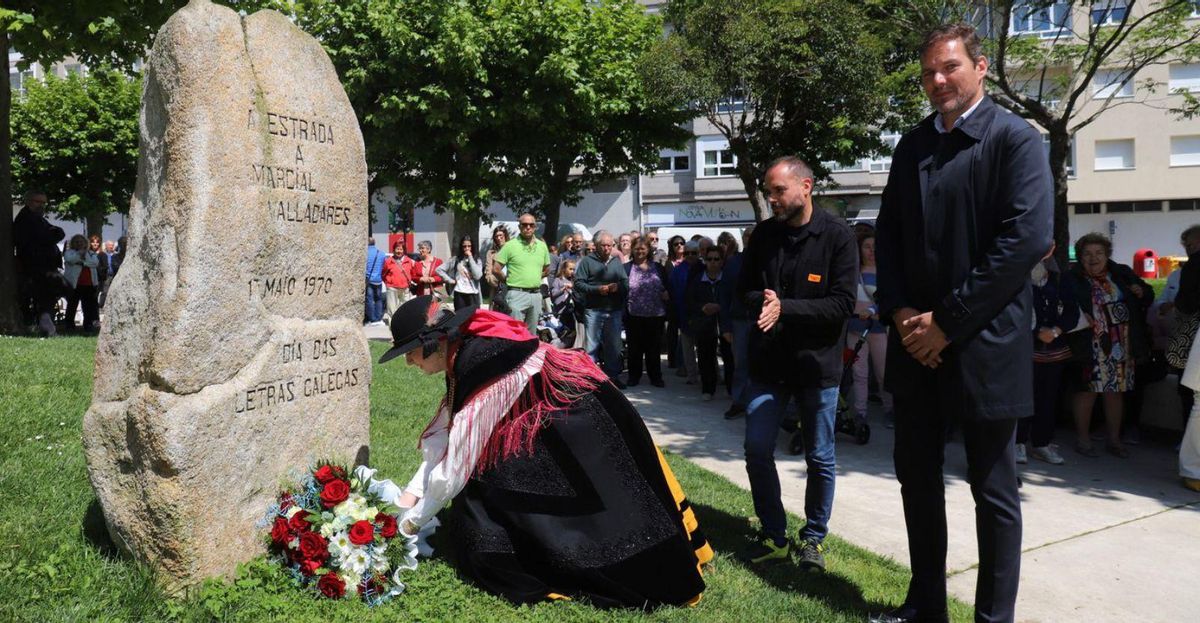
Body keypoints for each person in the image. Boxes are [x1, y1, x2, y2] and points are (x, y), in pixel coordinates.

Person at [870, 24, 1053, 623]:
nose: (938, 81)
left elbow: (1025, 240)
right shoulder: (911, 144)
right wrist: (900, 313)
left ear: (980, 68)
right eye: (928, 72)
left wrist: (944, 323)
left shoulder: (1015, 140)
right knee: (917, 483)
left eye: (949, 68)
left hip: (983, 346)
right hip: (914, 344)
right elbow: (889, 237)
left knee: (993, 494)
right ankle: (926, 608)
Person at [380, 296, 711, 608]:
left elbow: (456, 465)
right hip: (552, 419)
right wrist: (408, 499)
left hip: (577, 421)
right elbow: (447, 435)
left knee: (598, 518)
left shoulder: (482, 360)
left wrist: (409, 524)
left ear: (431, 343)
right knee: (483, 500)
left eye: (410, 351)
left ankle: (633, 565)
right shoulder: (462, 351)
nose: (408, 361)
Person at [735, 156, 857, 572]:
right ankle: (773, 532)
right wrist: (764, 302)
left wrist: (785, 307)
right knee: (756, 448)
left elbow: (842, 304)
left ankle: (813, 540)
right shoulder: (765, 236)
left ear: (806, 187)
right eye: (769, 192)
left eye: (778, 190)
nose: (772, 199)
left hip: (817, 367)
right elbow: (745, 291)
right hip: (769, 364)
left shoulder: (838, 236)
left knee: (820, 457)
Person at [1065, 233, 1151, 459]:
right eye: (1087, 254)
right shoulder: (1072, 278)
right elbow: (1064, 304)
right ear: (1080, 257)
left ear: (1107, 255)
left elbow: (1147, 294)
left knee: (1115, 392)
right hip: (1089, 343)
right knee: (1086, 391)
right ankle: (1083, 439)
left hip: (1120, 343)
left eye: (1099, 253)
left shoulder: (1121, 273)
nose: (1093, 258)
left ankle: (1114, 440)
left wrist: (1141, 291)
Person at [1021, 244, 1079, 466]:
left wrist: (1054, 331)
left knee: (1048, 398)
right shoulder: (1018, 276)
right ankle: (1018, 442)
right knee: (1024, 396)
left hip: (1054, 348)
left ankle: (1041, 443)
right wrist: (1036, 332)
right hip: (1025, 348)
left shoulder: (1059, 278)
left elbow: (1072, 310)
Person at [847, 233, 893, 428]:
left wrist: (873, 310)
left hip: (879, 330)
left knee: (883, 373)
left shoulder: (886, 273)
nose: (871, 251)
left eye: (875, 246)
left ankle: (890, 410)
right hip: (855, 329)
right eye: (867, 246)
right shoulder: (851, 272)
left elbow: (890, 299)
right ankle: (860, 413)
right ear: (860, 248)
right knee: (859, 373)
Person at [574, 231, 628, 387]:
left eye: (609, 245)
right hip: (594, 309)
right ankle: (590, 378)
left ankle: (613, 377)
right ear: (596, 246)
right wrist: (598, 289)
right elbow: (579, 284)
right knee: (592, 347)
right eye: (603, 245)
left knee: (614, 346)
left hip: (614, 310)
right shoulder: (587, 262)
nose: (606, 248)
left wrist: (618, 287)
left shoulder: (616, 262)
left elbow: (625, 282)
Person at [12, 190, 65, 335]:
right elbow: (47, 236)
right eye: (38, 201)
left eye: (44, 202)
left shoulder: (38, 218)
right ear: (28, 201)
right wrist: (54, 233)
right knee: (42, 297)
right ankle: (42, 327)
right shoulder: (26, 218)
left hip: (44, 265)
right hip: (36, 266)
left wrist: (54, 232)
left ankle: (44, 326)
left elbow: (56, 232)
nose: (41, 205)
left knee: (48, 297)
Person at [493, 213, 551, 335]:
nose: (528, 227)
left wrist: (533, 277)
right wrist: (507, 280)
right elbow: (496, 269)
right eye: (524, 225)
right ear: (519, 227)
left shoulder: (542, 246)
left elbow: (547, 269)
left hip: (535, 295)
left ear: (535, 227)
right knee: (515, 334)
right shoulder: (510, 246)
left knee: (532, 335)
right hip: (516, 294)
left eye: (531, 225)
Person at [690, 245, 734, 401]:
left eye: (716, 259)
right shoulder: (698, 280)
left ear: (722, 261)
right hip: (705, 324)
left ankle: (731, 388)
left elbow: (734, 300)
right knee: (705, 357)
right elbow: (690, 301)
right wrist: (703, 307)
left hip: (726, 324)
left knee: (729, 357)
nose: (713, 262)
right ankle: (708, 389)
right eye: (709, 259)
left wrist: (722, 307)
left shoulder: (728, 279)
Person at [624, 239, 669, 388]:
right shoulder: (626, 268)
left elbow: (666, 286)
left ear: (648, 250)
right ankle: (633, 376)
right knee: (634, 348)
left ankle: (655, 377)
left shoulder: (658, 268)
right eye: (636, 248)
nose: (640, 251)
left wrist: (666, 293)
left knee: (654, 348)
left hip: (655, 314)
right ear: (632, 250)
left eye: (643, 248)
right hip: (633, 315)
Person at [722, 227, 754, 419]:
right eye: (748, 236)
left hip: (762, 321)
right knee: (740, 363)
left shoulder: (767, 261)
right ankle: (739, 401)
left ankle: (757, 404)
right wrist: (725, 325)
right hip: (740, 321)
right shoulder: (733, 262)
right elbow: (724, 296)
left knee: (760, 364)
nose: (751, 239)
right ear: (743, 239)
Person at [670, 241, 702, 385]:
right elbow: (673, 291)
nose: (690, 256)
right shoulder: (677, 270)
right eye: (687, 253)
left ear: (698, 253)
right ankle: (691, 375)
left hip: (701, 313)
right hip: (683, 312)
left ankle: (710, 373)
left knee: (704, 346)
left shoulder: (703, 267)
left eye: (693, 253)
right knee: (687, 347)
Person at [63, 234, 101, 332]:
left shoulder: (91, 253)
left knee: (88, 307)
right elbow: (70, 260)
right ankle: (69, 325)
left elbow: (95, 263)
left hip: (89, 284)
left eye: (81, 241)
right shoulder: (69, 253)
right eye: (77, 242)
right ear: (73, 243)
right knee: (72, 305)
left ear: (85, 243)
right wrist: (79, 254)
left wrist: (83, 263)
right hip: (74, 284)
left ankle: (88, 325)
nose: (79, 243)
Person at [438, 235, 483, 310]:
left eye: (469, 246)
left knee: (473, 318)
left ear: (472, 247)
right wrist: (450, 280)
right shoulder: (455, 260)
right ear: (461, 247)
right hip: (459, 293)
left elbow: (478, 276)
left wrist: (470, 257)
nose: (467, 248)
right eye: (464, 246)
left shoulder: (477, 260)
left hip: (473, 294)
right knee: (460, 317)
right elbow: (439, 270)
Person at [382, 242, 415, 323]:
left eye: (401, 249)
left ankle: (403, 325)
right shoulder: (388, 261)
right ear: (394, 250)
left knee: (405, 308)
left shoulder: (409, 261)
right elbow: (383, 274)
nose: (399, 251)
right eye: (397, 249)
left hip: (405, 288)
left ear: (404, 250)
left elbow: (412, 273)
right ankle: (392, 327)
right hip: (392, 288)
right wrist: (388, 282)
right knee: (392, 309)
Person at [550, 259, 579, 346]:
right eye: (570, 269)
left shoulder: (574, 281)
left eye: (574, 269)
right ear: (564, 269)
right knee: (562, 333)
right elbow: (553, 294)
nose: (572, 272)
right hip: (560, 312)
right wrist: (563, 289)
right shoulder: (558, 280)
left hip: (571, 311)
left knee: (572, 331)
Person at [484, 225, 512, 314]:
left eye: (501, 236)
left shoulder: (512, 250)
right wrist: (498, 279)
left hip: (512, 287)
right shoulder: (491, 253)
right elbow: (488, 273)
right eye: (496, 236)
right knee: (496, 317)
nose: (499, 238)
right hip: (497, 288)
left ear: (506, 236)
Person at [364, 237, 386, 326]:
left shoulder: (365, 253)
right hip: (379, 280)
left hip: (369, 280)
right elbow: (383, 266)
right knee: (378, 299)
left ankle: (372, 319)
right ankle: (378, 318)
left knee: (369, 299)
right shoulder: (381, 253)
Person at [98, 240, 118, 309]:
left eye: (112, 245)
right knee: (105, 292)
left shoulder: (116, 255)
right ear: (106, 246)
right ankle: (101, 306)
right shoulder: (103, 254)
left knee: (115, 291)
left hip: (115, 275)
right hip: (106, 275)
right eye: (110, 245)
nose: (111, 247)